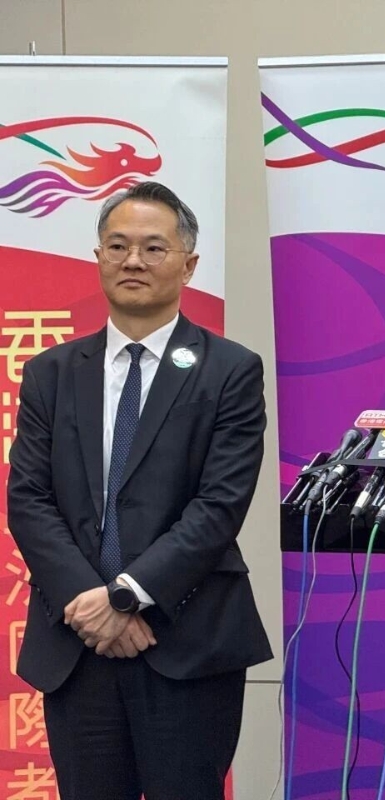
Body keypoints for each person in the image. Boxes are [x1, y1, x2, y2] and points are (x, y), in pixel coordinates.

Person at [7, 181, 272, 799]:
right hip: (78, 642)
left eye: (154, 247)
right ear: (98, 257)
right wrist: (89, 602)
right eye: (118, 245)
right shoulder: (50, 372)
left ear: (189, 264)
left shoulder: (230, 369)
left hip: (187, 638)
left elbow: (219, 506)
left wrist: (127, 597)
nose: (133, 260)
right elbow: (29, 499)